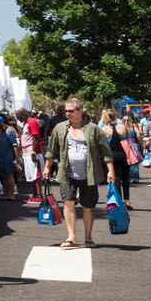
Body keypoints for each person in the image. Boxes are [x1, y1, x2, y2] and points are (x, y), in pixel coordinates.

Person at [46, 98, 114, 249]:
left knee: (88, 206)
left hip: (89, 174)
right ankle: (71, 237)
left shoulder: (93, 129)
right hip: (67, 173)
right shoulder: (60, 128)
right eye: (66, 111)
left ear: (80, 111)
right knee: (68, 203)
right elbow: (52, 150)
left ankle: (88, 238)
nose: (67, 113)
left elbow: (106, 152)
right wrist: (47, 167)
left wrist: (111, 171)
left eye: (71, 111)